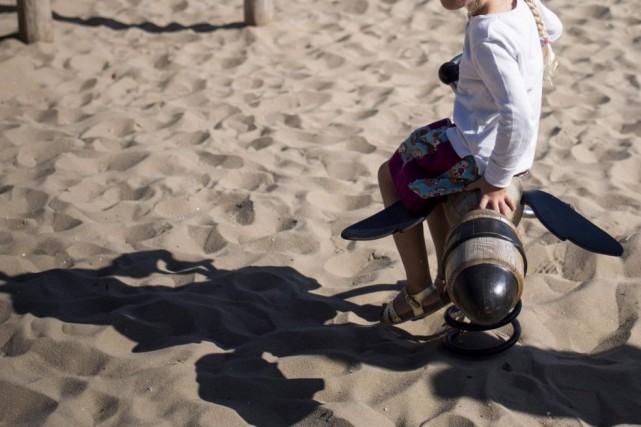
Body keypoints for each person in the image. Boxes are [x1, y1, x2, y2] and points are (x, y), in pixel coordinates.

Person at [379, 0, 563, 324]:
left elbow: (518, 117)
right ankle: (443, 276)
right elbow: (554, 29)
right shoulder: (521, 5)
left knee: (391, 172)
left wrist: (496, 180)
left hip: (479, 155)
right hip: (500, 149)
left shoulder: (486, 34)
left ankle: (419, 290)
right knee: (429, 175)